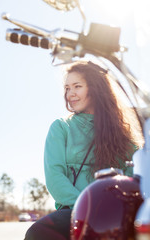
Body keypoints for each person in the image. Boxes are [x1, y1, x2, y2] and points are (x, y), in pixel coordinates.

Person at [24, 60, 142, 240]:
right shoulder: (61, 127)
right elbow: (54, 177)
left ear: (96, 88)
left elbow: (134, 176)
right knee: (37, 233)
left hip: (115, 213)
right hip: (74, 212)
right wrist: (87, 207)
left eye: (77, 86)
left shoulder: (123, 132)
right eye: (67, 88)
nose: (70, 94)